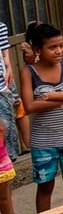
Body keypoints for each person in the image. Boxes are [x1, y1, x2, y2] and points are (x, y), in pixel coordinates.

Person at [20, 22, 63, 213]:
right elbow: (29, 106)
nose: (59, 51)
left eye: (61, 45)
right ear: (37, 50)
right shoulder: (28, 72)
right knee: (45, 186)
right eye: (52, 47)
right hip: (43, 142)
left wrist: (52, 96)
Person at [0, 20, 20, 162]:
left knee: (6, 134)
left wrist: (9, 69)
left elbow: (6, 59)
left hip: (1, 88)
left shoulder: (0, 27)